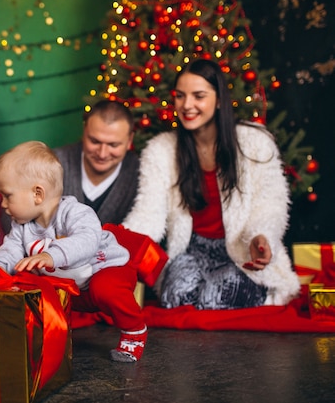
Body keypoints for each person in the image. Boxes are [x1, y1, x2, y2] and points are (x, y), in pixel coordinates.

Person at [122, 58, 300, 309]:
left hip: (239, 251)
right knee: (175, 296)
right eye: (180, 96)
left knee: (213, 297)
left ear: (218, 100)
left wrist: (261, 237)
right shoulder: (162, 149)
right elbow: (148, 213)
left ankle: (262, 294)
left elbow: (271, 204)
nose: (187, 105)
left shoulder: (255, 143)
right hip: (192, 251)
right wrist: (114, 243)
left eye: (198, 96)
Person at [0, 141, 147, 363]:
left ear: (37, 194)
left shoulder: (76, 212)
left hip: (106, 268)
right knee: (30, 285)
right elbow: (10, 249)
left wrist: (50, 256)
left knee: (106, 289)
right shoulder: (22, 226)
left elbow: (87, 240)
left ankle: (135, 329)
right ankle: (47, 338)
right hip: (72, 287)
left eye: (8, 196)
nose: (3, 204)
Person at [0, 100, 139, 241]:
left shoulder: (141, 175)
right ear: (84, 130)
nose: (102, 153)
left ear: (129, 139)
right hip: (38, 252)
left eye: (113, 145)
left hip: (102, 262)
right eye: (94, 141)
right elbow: (15, 212)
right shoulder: (53, 162)